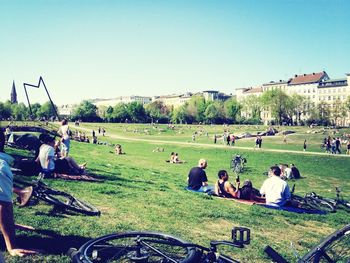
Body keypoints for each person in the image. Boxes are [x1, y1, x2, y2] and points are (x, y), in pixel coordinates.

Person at [0, 152, 39, 257]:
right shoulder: (1, 167)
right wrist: (12, 247)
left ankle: (5, 226)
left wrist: (12, 225)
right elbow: (2, 206)